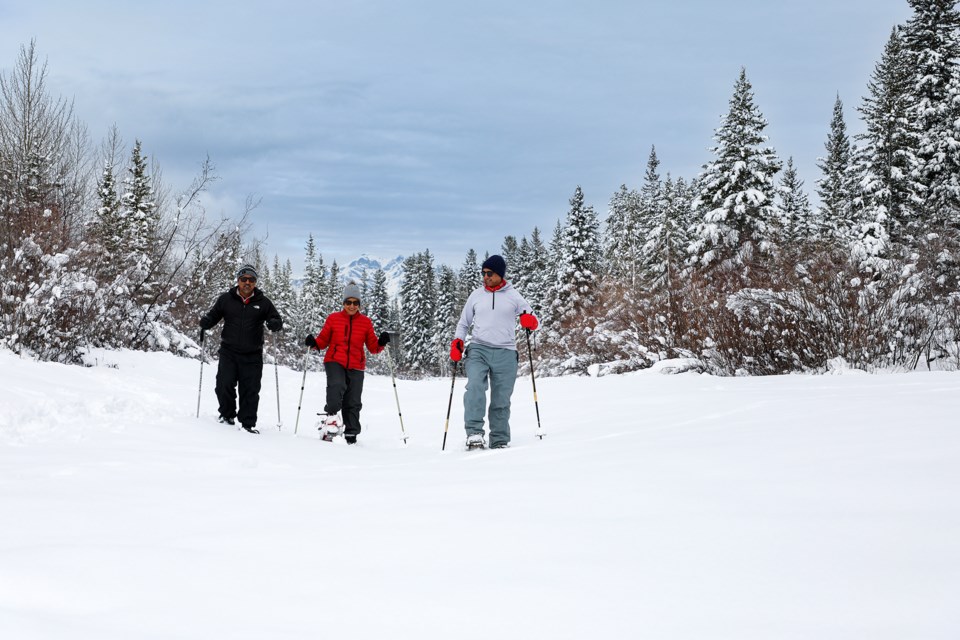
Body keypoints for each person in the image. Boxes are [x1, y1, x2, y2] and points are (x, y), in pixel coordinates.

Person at [450, 254, 538, 450]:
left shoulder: (514, 296)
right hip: (479, 348)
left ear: (499, 274)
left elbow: (533, 320)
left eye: (489, 273)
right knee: (474, 387)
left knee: (501, 398)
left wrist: (528, 321)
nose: (485, 276)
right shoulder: (476, 295)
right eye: (483, 273)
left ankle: (499, 439)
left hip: (505, 352)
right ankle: (474, 433)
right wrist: (458, 342)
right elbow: (463, 323)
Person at [199, 264, 283, 434]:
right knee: (224, 384)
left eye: (251, 280)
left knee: (250, 390)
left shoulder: (263, 302)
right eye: (244, 279)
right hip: (228, 351)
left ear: (255, 282)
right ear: (238, 281)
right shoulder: (226, 299)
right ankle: (227, 416)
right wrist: (207, 321)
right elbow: (214, 314)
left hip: (252, 354)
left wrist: (275, 323)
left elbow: (276, 318)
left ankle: (247, 424)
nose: (247, 282)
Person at [304, 281, 390, 444]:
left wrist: (381, 343)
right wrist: (313, 343)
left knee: (353, 401)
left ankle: (351, 433)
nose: (351, 306)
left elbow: (373, 347)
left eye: (355, 302)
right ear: (343, 303)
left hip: (356, 365)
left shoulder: (365, 322)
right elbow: (323, 340)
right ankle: (331, 422)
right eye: (348, 302)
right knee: (337, 385)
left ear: (359, 304)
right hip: (335, 360)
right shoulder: (333, 319)